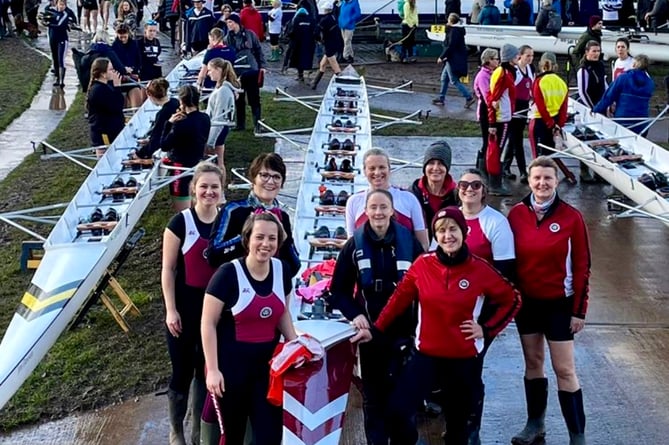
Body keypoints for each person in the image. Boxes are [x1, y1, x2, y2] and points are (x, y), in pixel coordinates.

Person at [352, 206, 521, 445]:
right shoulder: (423, 264)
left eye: (453, 229)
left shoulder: (481, 269)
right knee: (398, 411)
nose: (447, 236)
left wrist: (486, 328)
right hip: (426, 355)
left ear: (464, 233)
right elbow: (398, 300)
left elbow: (512, 299)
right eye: (441, 231)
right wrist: (376, 330)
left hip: (462, 358)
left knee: (457, 425)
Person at [329, 189, 424, 444]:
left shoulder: (410, 243)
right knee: (374, 400)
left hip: (404, 334)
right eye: (374, 207)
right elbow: (337, 291)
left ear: (392, 211)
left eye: (384, 207)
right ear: (366, 212)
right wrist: (355, 314)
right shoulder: (354, 245)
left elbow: (427, 288)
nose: (379, 212)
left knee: (404, 401)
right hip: (370, 334)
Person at [508, 156, 590, 445]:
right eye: (537, 178)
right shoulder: (516, 214)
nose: (542, 183)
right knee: (533, 363)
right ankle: (535, 424)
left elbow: (582, 266)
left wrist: (579, 311)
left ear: (556, 182)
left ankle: (576, 436)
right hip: (528, 304)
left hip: (559, 304)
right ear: (529, 181)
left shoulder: (571, 217)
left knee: (565, 369)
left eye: (548, 178)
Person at [201, 211, 298, 445]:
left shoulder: (282, 270)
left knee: (270, 436)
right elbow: (207, 323)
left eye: (272, 239)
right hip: (230, 371)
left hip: (267, 372)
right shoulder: (227, 274)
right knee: (233, 436)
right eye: (260, 237)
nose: (266, 244)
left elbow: (281, 312)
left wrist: (295, 344)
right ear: (247, 239)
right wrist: (213, 370)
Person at [162, 162, 224, 445]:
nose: (209, 192)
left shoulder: (228, 221)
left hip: (216, 310)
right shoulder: (180, 223)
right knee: (182, 370)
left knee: (206, 368)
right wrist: (171, 309)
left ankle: (199, 429)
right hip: (186, 308)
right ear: (194, 189)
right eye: (204, 187)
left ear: (221, 190)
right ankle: (177, 431)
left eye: (215, 187)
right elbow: (169, 269)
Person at [457, 169, 516, 443]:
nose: (469, 189)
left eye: (476, 185)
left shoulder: (496, 222)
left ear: (484, 191)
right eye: (464, 184)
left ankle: (471, 431)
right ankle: (456, 424)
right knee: (451, 370)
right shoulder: (448, 218)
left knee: (471, 369)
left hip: (481, 312)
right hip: (450, 311)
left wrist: (488, 325)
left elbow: (505, 277)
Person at [207, 152, 301, 277]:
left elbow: (293, 268)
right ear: (253, 178)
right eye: (264, 175)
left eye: (276, 177)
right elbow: (213, 255)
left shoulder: (282, 217)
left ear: (282, 183)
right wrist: (247, 237)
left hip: (268, 287)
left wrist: (285, 240)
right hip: (234, 283)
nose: (270, 181)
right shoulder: (233, 210)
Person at [345, 147, 429, 251]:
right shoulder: (354, 201)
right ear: (364, 171)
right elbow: (351, 247)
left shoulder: (409, 199)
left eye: (382, 167)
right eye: (372, 168)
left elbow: (423, 245)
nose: (377, 172)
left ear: (389, 169)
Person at [161, 85, 211, 211]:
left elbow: (164, 146)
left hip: (180, 168)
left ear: (181, 102)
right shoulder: (205, 118)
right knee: (196, 206)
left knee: (183, 211)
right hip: (196, 164)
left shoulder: (181, 124)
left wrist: (169, 124)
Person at [593, 54, 655, 135]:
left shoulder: (623, 78)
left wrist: (596, 109)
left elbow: (609, 96)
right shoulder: (650, 83)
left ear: (634, 64)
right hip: (641, 122)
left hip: (623, 120)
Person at [487, 43, 519, 196]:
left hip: (504, 116)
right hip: (501, 118)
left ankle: (494, 182)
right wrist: (492, 122)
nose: (518, 58)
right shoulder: (503, 73)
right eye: (516, 55)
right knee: (497, 151)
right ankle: (495, 184)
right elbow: (493, 98)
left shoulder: (505, 72)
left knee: (496, 150)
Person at [225, 12, 265, 131]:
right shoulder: (228, 38)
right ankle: (240, 124)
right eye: (227, 23)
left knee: (254, 98)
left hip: (251, 70)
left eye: (230, 22)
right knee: (239, 99)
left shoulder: (250, 34)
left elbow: (258, 50)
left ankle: (257, 124)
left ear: (236, 22)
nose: (228, 25)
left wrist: (262, 66)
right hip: (236, 72)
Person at [410, 141, 457, 241]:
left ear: (447, 168)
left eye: (440, 164)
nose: (435, 168)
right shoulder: (412, 193)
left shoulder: (457, 195)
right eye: (431, 163)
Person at [433, 13, 476, 109]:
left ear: (450, 20)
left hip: (452, 59)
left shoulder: (453, 32)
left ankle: (468, 97)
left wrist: (442, 56)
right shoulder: (457, 31)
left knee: (454, 80)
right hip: (453, 58)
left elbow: (450, 46)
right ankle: (441, 98)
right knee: (444, 78)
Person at [529, 52, 568, 159]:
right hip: (555, 120)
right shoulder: (561, 82)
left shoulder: (539, 81)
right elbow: (564, 108)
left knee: (538, 158)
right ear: (555, 66)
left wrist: (549, 123)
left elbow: (540, 106)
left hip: (539, 121)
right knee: (550, 158)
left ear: (541, 65)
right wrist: (558, 125)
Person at [504, 44, 533, 182]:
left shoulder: (529, 69)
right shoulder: (515, 70)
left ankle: (505, 166)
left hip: (525, 106)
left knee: (514, 139)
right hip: (514, 108)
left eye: (532, 56)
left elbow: (531, 87)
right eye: (528, 55)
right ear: (519, 56)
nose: (530, 58)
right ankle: (523, 171)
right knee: (518, 139)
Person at [206, 57, 240, 173]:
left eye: (210, 70)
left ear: (218, 70)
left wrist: (210, 141)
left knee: (215, 165)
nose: (208, 73)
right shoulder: (222, 88)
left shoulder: (223, 91)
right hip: (219, 128)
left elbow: (219, 117)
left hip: (218, 128)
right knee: (219, 163)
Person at [85, 57, 124, 157]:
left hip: (111, 131)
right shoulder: (98, 90)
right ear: (103, 73)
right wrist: (117, 87)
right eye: (111, 69)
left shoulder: (105, 86)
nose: (114, 72)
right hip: (104, 135)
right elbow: (117, 107)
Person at [134, 77, 180, 159]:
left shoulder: (162, 114)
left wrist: (139, 153)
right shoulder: (175, 101)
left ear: (150, 95)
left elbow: (156, 141)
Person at [473, 48, 499, 174]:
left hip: (491, 110)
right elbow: (486, 96)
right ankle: (481, 166)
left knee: (491, 141)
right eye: (496, 59)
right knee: (487, 141)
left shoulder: (493, 74)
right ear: (488, 61)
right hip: (485, 110)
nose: (498, 61)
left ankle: (485, 166)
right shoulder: (483, 76)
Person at [43, 0, 77, 88]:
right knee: (55, 58)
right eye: (60, 4)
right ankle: (57, 78)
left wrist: (49, 24)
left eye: (63, 5)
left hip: (62, 40)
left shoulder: (65, 14)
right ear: (57, 4)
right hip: (52, 38)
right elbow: (44, 17)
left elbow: (60, 25)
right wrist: (44, 20)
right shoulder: (51, 11)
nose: (62, 6)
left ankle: (62, 81)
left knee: (60, 59)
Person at [310, 0, 343, 89]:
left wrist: (319, 40)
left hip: (329, 44)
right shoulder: (333, 17)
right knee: (322, 64)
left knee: (335, 66)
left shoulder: (324, 20)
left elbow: (316, 32)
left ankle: (342, 83)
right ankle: (314, 83)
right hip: (336, 42)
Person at [111, 24, 144, 108]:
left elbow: (139, 61)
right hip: (119, 79)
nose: (122, 36)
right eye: (120, 33)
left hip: (132, 78)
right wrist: (122, 71)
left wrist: (135, 71)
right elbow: (113, 64)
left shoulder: (134, 44)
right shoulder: (113, 47)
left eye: (124, 33)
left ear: (128, 33)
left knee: (137, 105)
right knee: (122, 106)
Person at [286, 7, 317, 82]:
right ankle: (307, 71)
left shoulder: (295, 20)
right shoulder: (311, 20)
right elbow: (315, 31)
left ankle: (300, 75)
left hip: (297, 44)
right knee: (306, 59)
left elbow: (290, 32)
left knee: (298, 59)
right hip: (308, 44)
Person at [577, 40, 607, 110]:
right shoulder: (583, 70)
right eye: (594, 51)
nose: (596, 54)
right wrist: (593, 108)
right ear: (587, 52)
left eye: (598, 51)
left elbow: (604, 83)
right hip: (590, 106)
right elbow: (583, 92)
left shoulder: (600, 65)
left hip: (601, 104)